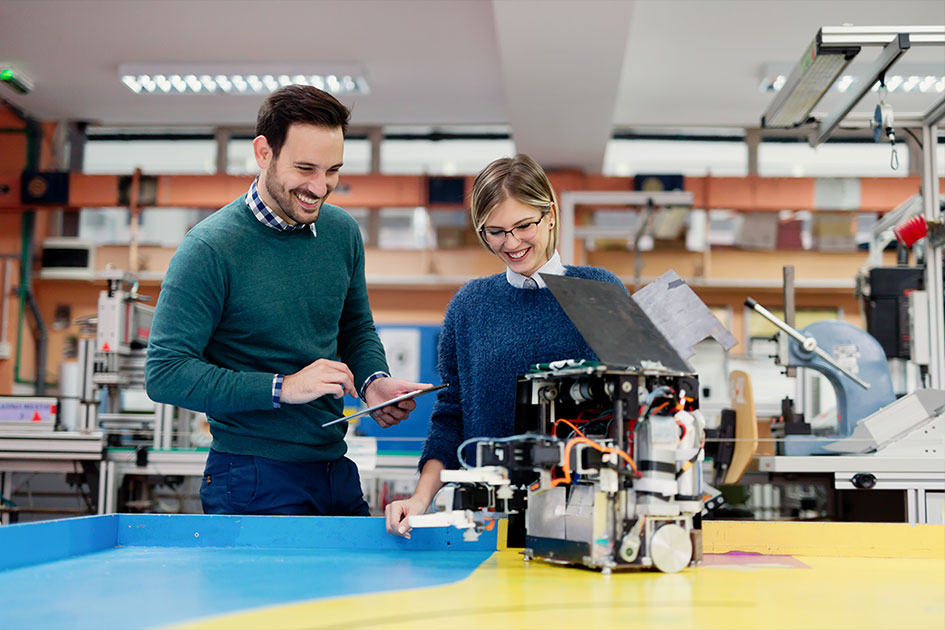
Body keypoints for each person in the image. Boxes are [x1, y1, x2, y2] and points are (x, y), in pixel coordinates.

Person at [145, 85, 429, 516]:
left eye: (333, 170)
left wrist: (374, 382)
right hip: (250, 475)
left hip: (334, 467)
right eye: (305, 168)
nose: (320, 187)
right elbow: (165, 373)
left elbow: (355, 328)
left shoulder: (342, 233)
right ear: (264, 153)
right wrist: (284, 387)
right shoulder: (210, 247)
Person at [385, 154, 625, 537]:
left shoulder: (598, 291)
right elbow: (451, 415)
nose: (511, 243)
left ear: (549, 214)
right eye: (495, 231)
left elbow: (632, 404)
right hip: (486, 517)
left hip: (582, 514)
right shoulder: (470, 305)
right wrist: (420, 499)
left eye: (523, 225)